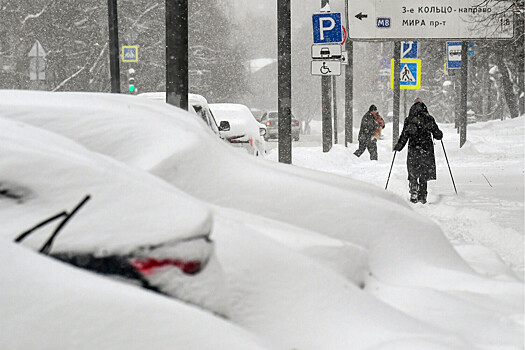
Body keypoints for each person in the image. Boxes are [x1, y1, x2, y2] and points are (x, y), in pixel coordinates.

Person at [393, 98, 443, 204]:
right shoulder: (429, 119)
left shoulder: (409, 120)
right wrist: (437, 133)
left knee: (413, 170)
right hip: (426, 149)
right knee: (424, 173)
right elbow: (438, 135)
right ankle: (422, 195)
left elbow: (404, 135)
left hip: (414, 149)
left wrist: (399, 146)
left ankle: (413, 190)